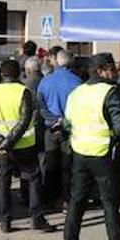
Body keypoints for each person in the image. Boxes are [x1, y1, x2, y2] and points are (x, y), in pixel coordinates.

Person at [62, 53, 120, 240]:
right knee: (110, 202)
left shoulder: (76, 92)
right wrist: (115, 139)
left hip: (80, 152)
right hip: (103, 153)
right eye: (112, 68)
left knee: (77, 200)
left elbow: (67, 123)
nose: (115, 72)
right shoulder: (109, 91)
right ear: (102, 70)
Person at [0, 59, 55, 234]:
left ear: (2, 74)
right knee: (34, 178)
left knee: (4, 182)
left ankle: (5, 221)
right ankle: (36, 217)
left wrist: (1, 142)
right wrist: (9, 142)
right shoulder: (23, 91)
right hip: (23, 144)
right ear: (20, 73)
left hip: (1, 147)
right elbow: (24, 121)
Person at [38, 49, 81, 208]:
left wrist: (52, 119)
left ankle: (49, 198)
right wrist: (63, 121)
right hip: (70, 129)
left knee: (50, 164)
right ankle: (67, 199)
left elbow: (40, 105)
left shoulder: (45, 81)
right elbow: (79, 107)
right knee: (68, 165)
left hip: (51, 128)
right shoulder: (77, 81)